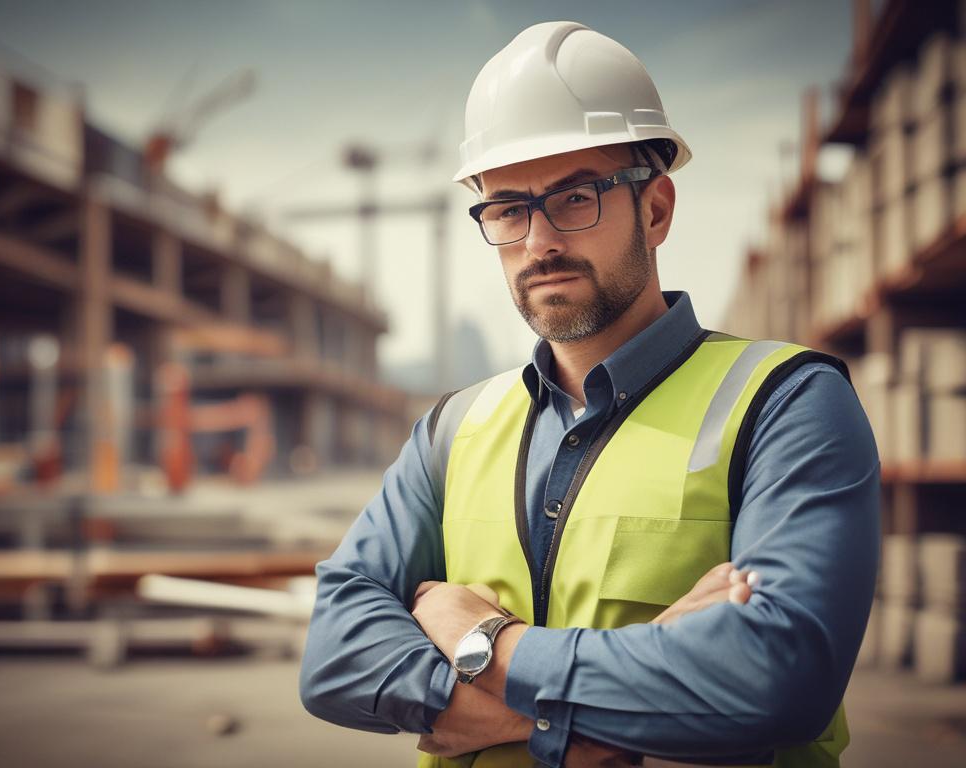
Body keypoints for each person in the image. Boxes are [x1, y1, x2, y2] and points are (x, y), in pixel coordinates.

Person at [300, 20, 880, 768]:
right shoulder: (452, 429)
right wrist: (638, 674)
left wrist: (488, 645)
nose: (538, 240)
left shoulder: (785, 404)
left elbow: (778, 678)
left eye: (575, 197)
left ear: (657, 209)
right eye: (508, 208)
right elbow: (333, 653)